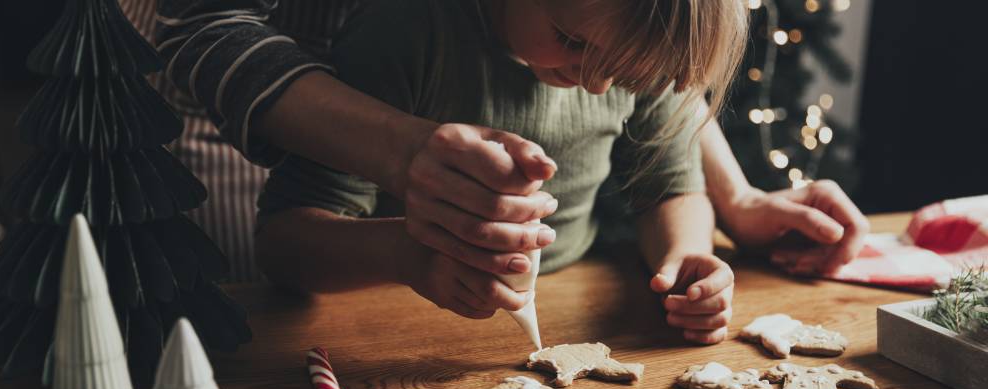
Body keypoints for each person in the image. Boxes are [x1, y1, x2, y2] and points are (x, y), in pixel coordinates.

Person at [144, 0, 870, 344]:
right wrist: (408, 251)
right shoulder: (404, 39)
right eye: (570, 43)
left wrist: (689, 257)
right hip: (395, 332)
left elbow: (668, 178)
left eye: (620, 72)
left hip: (572, 314)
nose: (594, 85)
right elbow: (287, 242)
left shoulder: (621, 45)